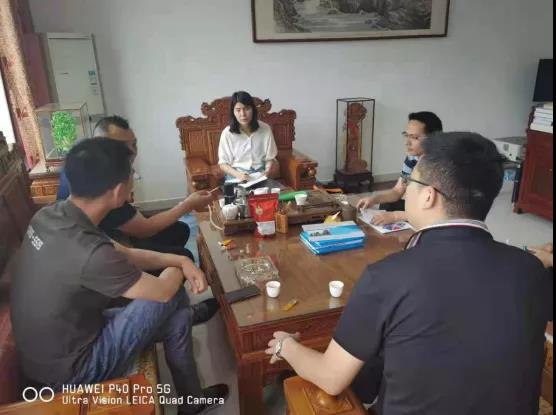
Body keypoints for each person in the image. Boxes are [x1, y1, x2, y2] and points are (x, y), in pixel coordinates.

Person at [265, 132, 553, 415]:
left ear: (429, 196)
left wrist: (285, 346)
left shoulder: (387, 277)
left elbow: (331, 378)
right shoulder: (531, 270)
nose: (404, 190)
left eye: (410, 182)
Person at [12, 139, 228, 415]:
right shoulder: (89, 253)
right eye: (131, 174)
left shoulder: (51, 216)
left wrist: (181, 260)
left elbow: (125, 253)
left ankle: (191, 403)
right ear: (117, 192)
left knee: (179, 319)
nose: (134, 178)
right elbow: (162, 292)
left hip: (58, 349)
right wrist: (182, 267)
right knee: (171, 295)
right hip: (72, 372)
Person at [57, 116, 214, 260]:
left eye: (134, 144)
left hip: (113, 237)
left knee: (179, 230)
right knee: (184, 256)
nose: (131, 153)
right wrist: (188, 204)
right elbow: (145, 229)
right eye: (122, 147)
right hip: (107, 248)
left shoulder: (81, 161)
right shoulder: (106, 183)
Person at [357, 112, 443, 226]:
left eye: (415, 137)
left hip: (434, 212)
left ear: (434, 139)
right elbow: (397, 191)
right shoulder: (412, 159)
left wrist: (396, 216)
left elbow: (438, 210)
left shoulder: (441, 165)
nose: (407, 142)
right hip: (418, 206)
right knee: (387, 205)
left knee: (394, 213)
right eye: (406, 135)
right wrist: (374, 199)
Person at [218, 91, 280, 182]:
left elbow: (270, 158)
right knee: (239, 191)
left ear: (253, 109)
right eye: (238, 110)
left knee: (269, 191)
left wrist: (267, 172)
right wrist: (239, 175)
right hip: (236, 175)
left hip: (259, 174)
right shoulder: (227, 133)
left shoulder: (265, 129)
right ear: (233, 112)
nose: (243, 114)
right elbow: (223, 164)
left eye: (246, 108)